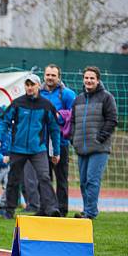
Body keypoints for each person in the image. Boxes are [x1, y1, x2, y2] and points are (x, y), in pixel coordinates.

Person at [0, 73, 61, 219]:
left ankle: (51, 209)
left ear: (38, 86)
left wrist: (56, 152)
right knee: (13, 180)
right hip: (17, 148)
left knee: (44, 178)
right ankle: (8, 211)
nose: (29, 87)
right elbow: (4, 123)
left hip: (38, 149)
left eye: (32, 85)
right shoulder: (17, 103)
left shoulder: (47, 106)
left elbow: (55, 130)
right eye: (27, 85)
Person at [70, 65, 118, 220]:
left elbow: (112, 120)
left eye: (92, 78)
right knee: (83, 182)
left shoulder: (106, 97)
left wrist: (100, 137)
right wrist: (73, 138)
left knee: (92, 180)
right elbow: (72, 122)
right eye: (86, 78)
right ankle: (87, 210)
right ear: (83, 80)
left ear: (98, 80)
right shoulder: (78, 99)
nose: (88, 81)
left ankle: (90, 213)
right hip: (81, 147)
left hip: (99, 148)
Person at [40, 64, 76, 217]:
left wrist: (59, 116)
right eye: (48, 74)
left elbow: (74, 113)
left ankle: (62, 209)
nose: (50, 78)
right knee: (43, 177)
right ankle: (46, 208)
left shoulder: (67, 94)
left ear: (59, 77)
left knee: (61, 178)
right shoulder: (38, 92)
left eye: (53, 75)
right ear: (44, 76)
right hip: (41, 143)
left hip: (60, 143)